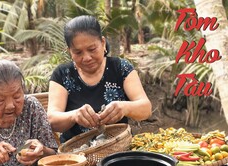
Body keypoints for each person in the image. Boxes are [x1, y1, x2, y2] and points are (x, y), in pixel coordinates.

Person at [47, 15, 152, 143]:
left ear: (102, 43)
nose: (86, 57)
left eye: (92, 49)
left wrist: (124, 107)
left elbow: (146, 109)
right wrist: (74, 116)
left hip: (118, 149)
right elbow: (52, 120)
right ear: (69, 51)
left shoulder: (121, 68)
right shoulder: (62, 74)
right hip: (76, 156)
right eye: (78, 52)